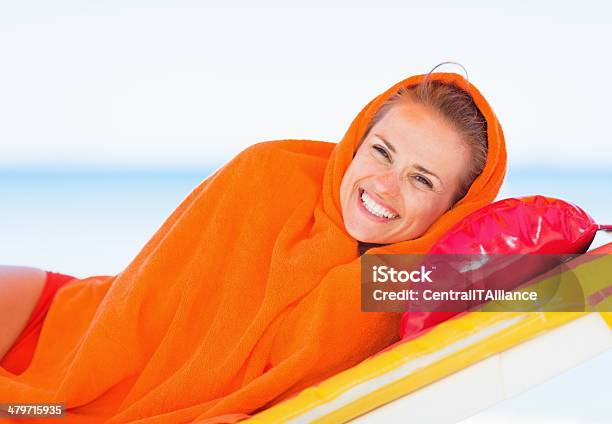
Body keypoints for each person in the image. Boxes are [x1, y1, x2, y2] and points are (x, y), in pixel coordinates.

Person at [0, 65, 506, 423]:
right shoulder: (271, 171)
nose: (384, 186)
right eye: (380, 151)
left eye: (422, 180)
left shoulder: (393, 286)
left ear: (455, 210)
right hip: (64, 323)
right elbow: (144, 294)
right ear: (355, 142)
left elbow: (554, 287)